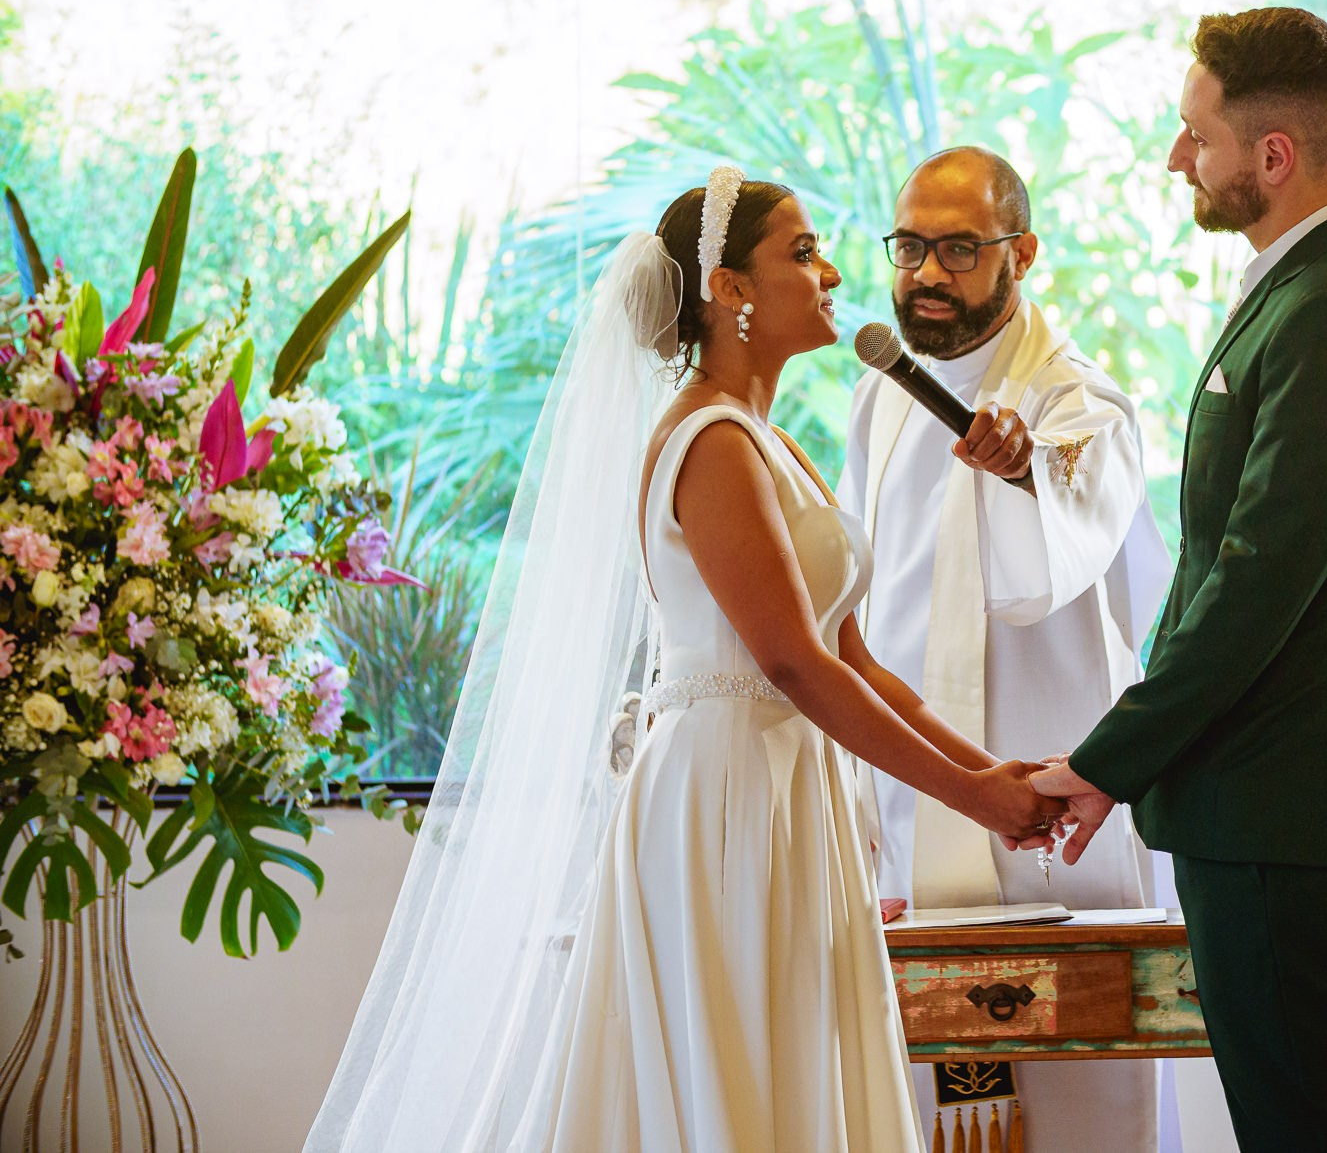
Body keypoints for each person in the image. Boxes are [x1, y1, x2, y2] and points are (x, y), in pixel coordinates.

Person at [305, 169, 1065, 1153]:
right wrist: (973, 800)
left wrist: (989, 772)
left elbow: (857, 660)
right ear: (730, 288)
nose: (833, 273)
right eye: (802, 253)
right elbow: (793, 665)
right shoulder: (711, 443)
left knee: (790, 1062)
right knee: (734, 1072)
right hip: (726, 798)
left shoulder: (768, 440)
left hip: (790, 789)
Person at [1034, 8, 1327, 1153]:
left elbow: (1255, 587)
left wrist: (1106, 760)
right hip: (1264, 802)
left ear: (1271, 154)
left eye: (1196, 135)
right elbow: (1226, 565)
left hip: (1278, 802)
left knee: (1311, 1136)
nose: (1176, 158)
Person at [840, 147, 1172, 1150]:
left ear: (1020, 254)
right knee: (913, 1116)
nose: (924, 275)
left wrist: (1026, 473)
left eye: (958, 249)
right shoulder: (880, 396)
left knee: (1080, 1121)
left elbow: (1060, 549)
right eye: (909, 248)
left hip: (1047, 833)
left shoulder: (1080, 402)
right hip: (915, 821)